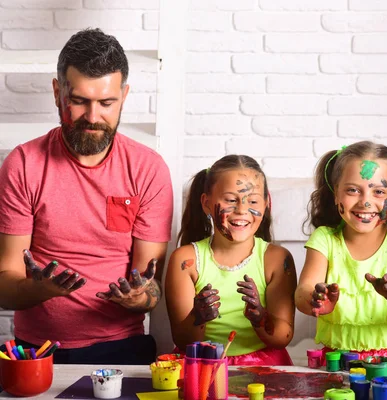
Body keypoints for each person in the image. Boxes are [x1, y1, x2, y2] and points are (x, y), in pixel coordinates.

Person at [0, 28, 173, 364]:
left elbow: (152, 290)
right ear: (57, 92)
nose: (93, 117)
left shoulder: (148, 169)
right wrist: (40, 290)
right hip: (37, 351)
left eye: (106, 103)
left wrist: (137, 297)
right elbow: (5, 284)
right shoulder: (23, 164)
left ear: (124, 96)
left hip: (123, 347)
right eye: (78, 101)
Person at [295, 141, 387, 359]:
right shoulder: (325, 239)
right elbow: (302, 291)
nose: (365, 202)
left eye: (379, 191)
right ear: (336, 195)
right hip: (337, 359)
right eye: (352, 190)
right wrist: (317, 299)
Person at [165, 155, 296, 365]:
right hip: (202, 365)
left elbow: (283, 337)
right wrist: (198, 317)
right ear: (207, 203)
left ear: (266, 203)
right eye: (231, 200)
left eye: (252, 201)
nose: (242, 210)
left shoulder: (277, 260)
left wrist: (260, 318)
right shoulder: (185, 260)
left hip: (263, 366)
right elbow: (182, 339)